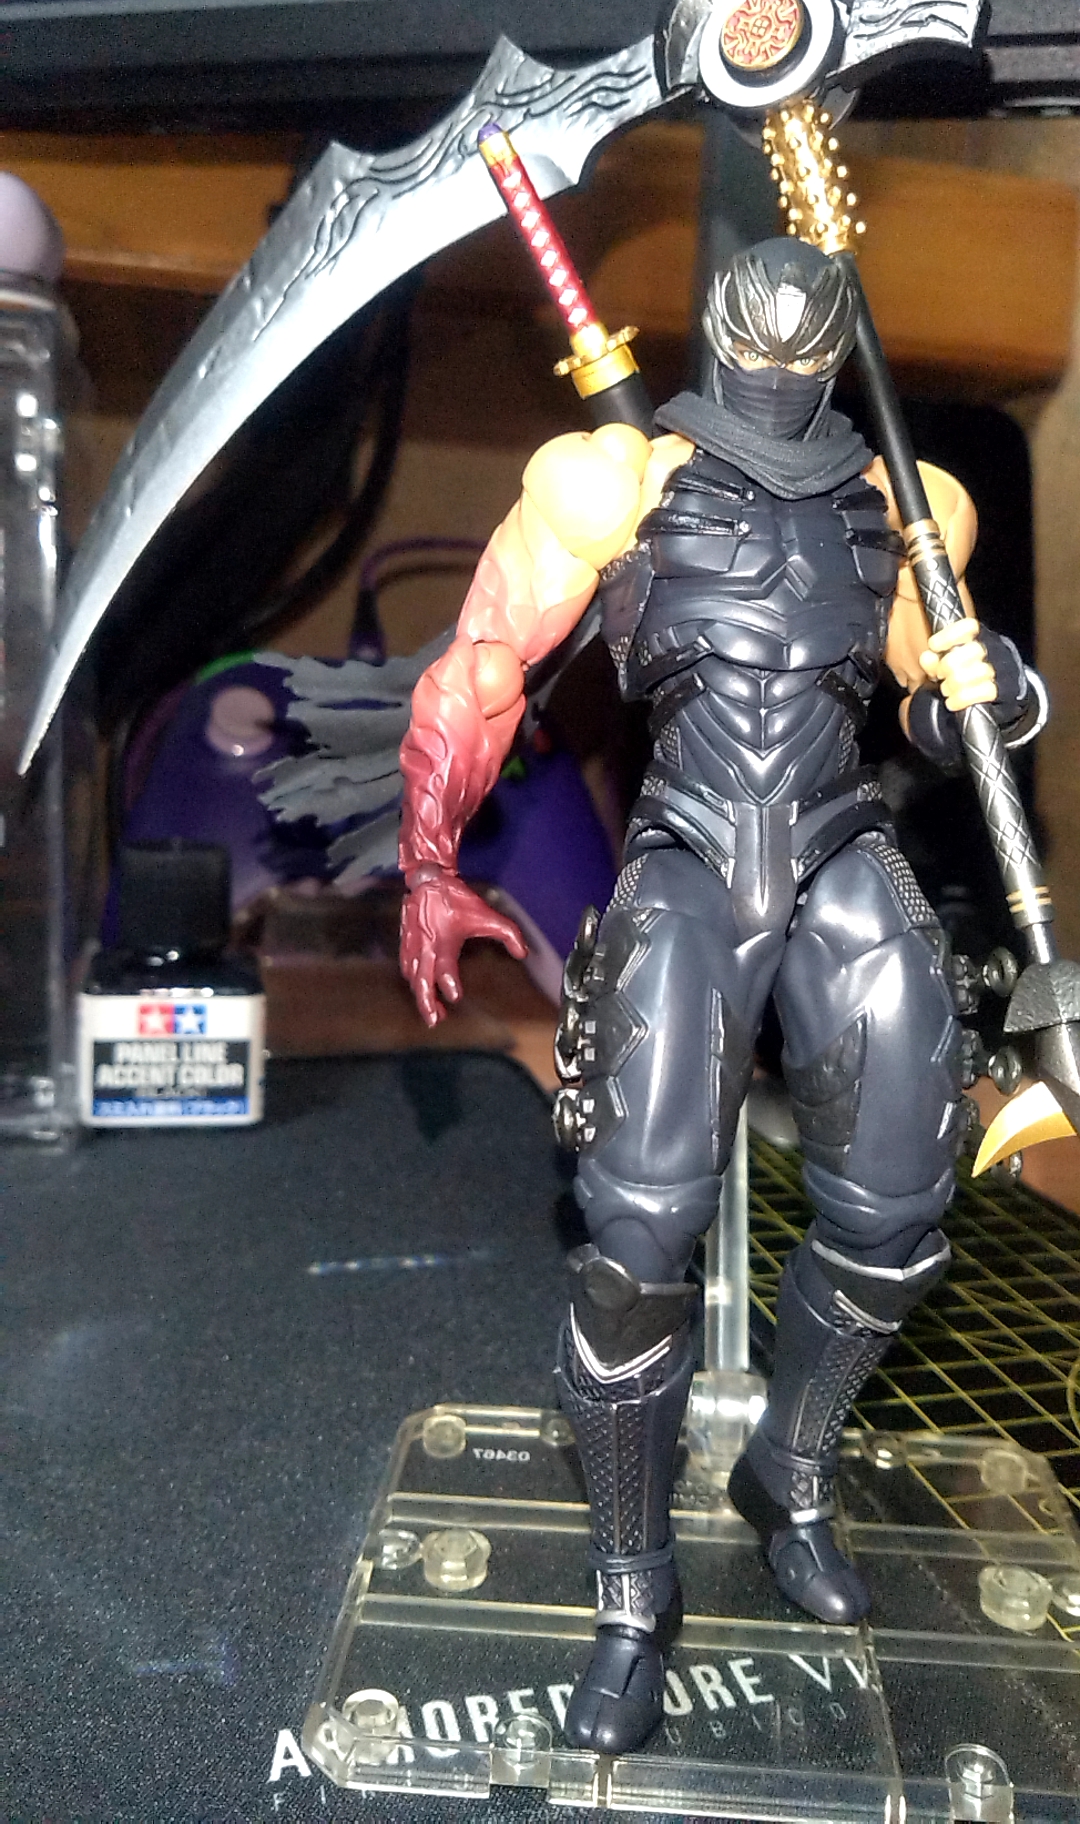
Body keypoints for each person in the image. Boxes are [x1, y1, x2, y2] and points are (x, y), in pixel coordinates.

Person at [397, 238, 1044, 1756]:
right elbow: (478, 672)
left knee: (899, 1215)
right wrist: (428, 859)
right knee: (634, 1247)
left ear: (830, 354)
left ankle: (788, 1474)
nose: (778, 368)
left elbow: (939, 702)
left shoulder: (915, 502)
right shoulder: (609, 486)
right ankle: (634, 1593)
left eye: (801, 350)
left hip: (840, 849)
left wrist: (995, 684)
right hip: (689, 854)